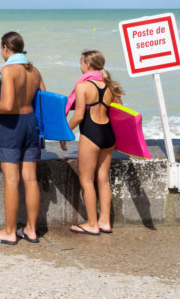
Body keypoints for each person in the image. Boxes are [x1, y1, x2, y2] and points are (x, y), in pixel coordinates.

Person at [0, 31, 44, 245]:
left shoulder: (8, 69)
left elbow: (8, 105)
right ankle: (30, 229)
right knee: (30, 178)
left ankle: (9, 231)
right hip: (31, 124)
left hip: (12, 126)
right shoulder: (34, 71)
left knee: (11, 179)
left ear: (5, 48)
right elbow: (43, 101)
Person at [60, 49, 124, 235]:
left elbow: (79, 115)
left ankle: (92, 224)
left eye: (81, 63)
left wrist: (65, 133)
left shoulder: (82, 87)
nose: (80, 66)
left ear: (87, 65)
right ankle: (105, 222)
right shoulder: (111, 86)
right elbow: (120, 112)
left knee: (86, 180)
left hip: (91, 134)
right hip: (108, 135)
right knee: (103, 180)